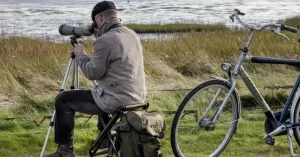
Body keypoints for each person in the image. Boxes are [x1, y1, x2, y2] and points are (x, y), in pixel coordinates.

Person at [45, 1, 147, 157]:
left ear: (99, 18)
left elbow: (92, 73)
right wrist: (100, 36)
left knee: (63, 99)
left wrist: (80, 53)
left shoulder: (105, 40)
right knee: (100, 91)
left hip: (116, 100)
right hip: (137, 98)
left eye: (95, 22)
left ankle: (65, 151)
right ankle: (105, 140)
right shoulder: (131, 34)